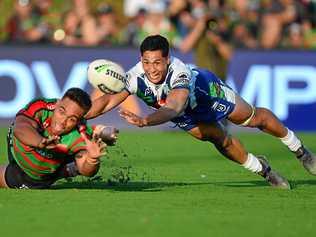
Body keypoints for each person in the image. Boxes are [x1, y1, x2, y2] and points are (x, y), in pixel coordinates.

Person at [86, 34, 316, 189]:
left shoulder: (180, 72)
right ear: (141, 60)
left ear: (167, 59)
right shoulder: (135, 76)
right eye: (147, 62)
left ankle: (300, 150)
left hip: (206, 93)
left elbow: (174, 106)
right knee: (217, 138)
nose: (152, 69)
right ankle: (264, 170)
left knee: (251, 118)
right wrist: (79, 114)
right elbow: (106, 102)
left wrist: (146, 121)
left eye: (157, 63)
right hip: (183, 113)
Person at [0, 88, 118, 189]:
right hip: (18, 145)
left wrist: (92, 160)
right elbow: (21, 127)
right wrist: (40, 142)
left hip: (33, 176)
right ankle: (100, 131)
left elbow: (87, 171)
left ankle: (67, 168)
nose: (62, 122)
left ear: (78, 121)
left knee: (77, 161)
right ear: (57, 104)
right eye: (61, 112)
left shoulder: (80, 135)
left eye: (71, 119)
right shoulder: (42, 107)